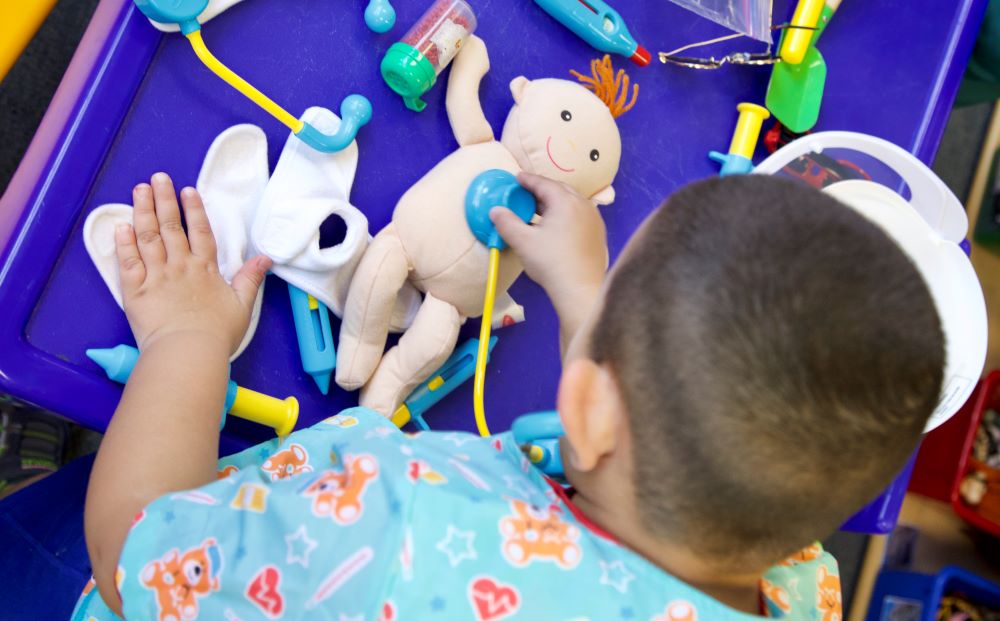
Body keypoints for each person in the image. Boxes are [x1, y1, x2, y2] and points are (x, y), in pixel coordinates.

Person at [75, 171, 944, 620]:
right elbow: (655, 424)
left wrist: (184, 338)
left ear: (593, 412)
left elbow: (134, 555)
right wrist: (584, 294)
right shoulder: (800, 581)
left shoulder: (395, 535)